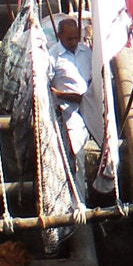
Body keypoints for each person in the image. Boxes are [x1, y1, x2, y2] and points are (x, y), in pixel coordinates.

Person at [49, 13, 94, 159]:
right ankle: (79, 181)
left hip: (89, 105)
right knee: (76, 150)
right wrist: (60, 95)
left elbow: (94, 78)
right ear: (59, 36)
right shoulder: (53, 56)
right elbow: (46, 86)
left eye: (76, 38)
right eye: (69, 39)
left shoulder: (85, 52)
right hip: (68, 109)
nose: (74, 42)